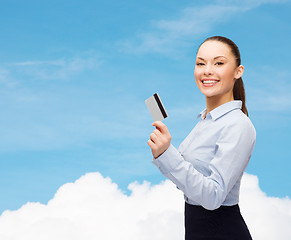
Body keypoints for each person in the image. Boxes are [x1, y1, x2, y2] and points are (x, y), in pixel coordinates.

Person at [147, 36, 256, 240]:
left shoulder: (238, 125)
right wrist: (165, 154)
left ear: (238, 72)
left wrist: (167, 154)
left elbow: (213, 197)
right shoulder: (205, 120)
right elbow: (189, 185)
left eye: (219, 63)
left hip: (223, 232)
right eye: (200, 63)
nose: (207, 70)